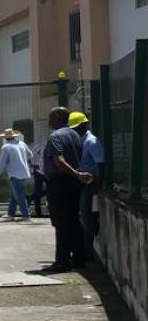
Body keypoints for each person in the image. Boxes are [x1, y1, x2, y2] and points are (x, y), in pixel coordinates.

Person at [42, 107, 92, 272]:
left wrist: (76, 174)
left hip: (60, 183)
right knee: (73, 220)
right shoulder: (74, 135)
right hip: (73, 184)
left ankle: (62, 261)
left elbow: (59, 161)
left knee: (61, 222)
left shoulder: (55, 137)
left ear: (57, 117)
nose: (48, 121)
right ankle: (78, 258)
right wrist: (77, 176)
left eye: (50, 117)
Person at [73, 112, 104, 260]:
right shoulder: (79, 140)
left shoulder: (91, 141)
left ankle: (88, 250)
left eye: (75, 127)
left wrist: (97, 185)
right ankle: (85, 247)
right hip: (81, 182)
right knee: (83, 216)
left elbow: (100, 164)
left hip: (90, 183)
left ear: (83, 126)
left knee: (86, 217)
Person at [0, 128, 32, 221]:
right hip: (24, 172)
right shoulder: (22, 144)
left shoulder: (6, 147)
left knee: (19, 195)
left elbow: (1, 162)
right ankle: (10, 214)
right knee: (15, 194)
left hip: (14, 173)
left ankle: (26, 215)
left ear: (5, 138)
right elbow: (30, 155)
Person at [29, 139, 47, 217]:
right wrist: (32, 165)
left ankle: (30, 198)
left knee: (50, 189)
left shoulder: (56, 147)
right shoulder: (41, 145)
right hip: (39, 171)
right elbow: (30, 155)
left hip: (48, 172)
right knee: (38, 190)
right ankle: (38, 212)